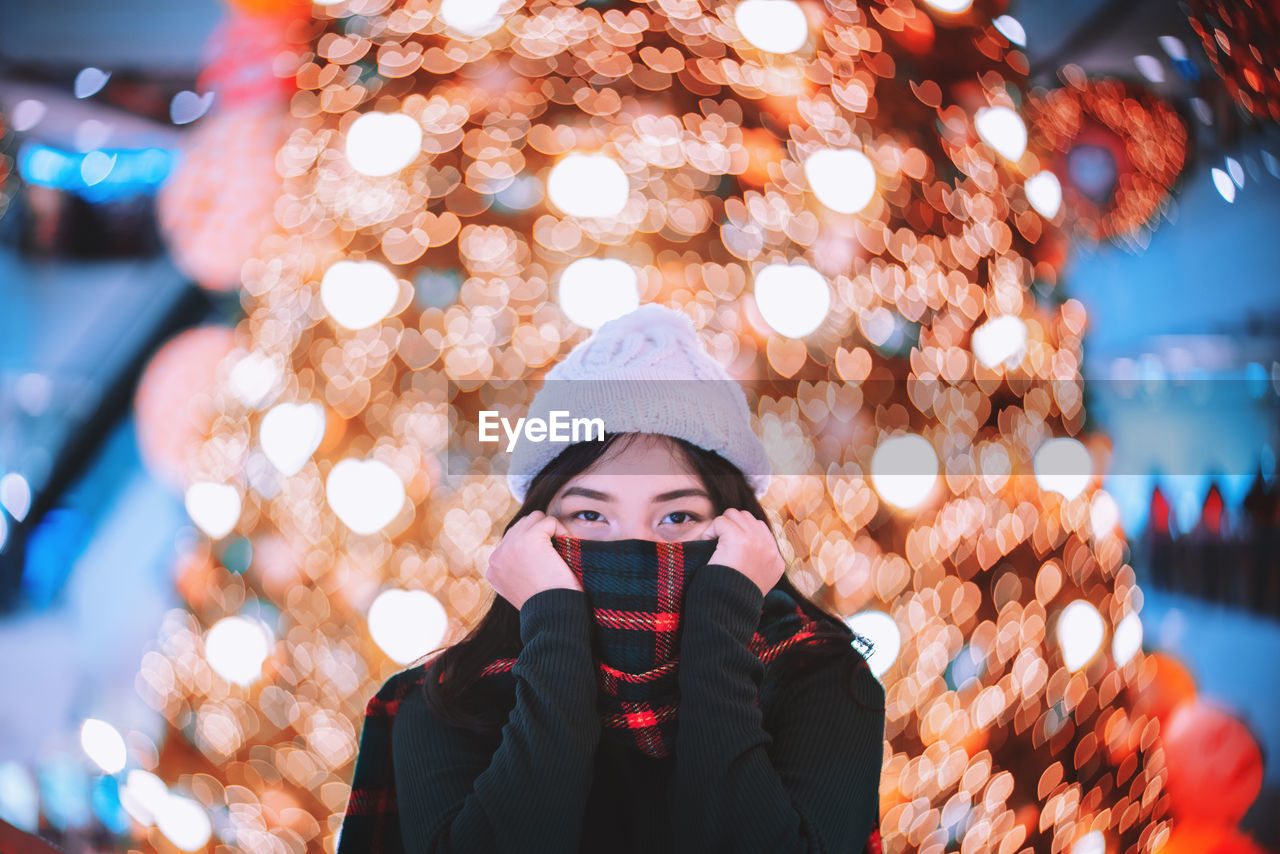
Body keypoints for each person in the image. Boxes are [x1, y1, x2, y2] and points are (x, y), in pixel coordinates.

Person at [338, 304, 886, 853]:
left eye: (677, 517)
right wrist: (555, 633)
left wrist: (719, 633)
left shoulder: (821, 680)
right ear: (532, 536)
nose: (638, 546)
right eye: (590, 515)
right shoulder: (449, 699)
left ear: (739, 534)